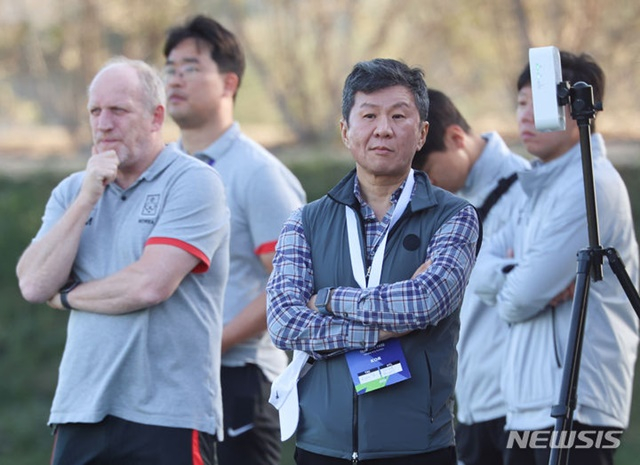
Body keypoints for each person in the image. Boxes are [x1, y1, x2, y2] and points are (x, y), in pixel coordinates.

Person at [15, 57, 229, 465]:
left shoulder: (194, 182)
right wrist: (87, 199)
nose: (103, 123)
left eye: (118, 110)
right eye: (95, 111)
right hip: (80, 409)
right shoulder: (72, 191)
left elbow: (149, 285)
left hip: (170, 415)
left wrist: (69, 296)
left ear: (156, 117)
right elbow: (34, 284)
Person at [266, 58, 481, 465]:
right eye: (369, 115)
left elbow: (424, 302)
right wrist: (378, 332)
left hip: (419, 448)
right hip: (320, 447)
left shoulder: (454, 216)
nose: (383, 128)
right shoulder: (306, 222)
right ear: (346, 131)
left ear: (421, 134)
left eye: (399, 116)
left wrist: (327, 300)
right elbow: (283, 322)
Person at [473, 50, 639, 465]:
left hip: (579, 406)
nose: (524, 118)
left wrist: (518, 282)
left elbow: (514, 301)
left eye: (538, 104)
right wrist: (520, 273)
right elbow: (481, 270)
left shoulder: (591, 185)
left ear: (576, 107)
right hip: (527, 404)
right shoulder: (537, 187)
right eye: (520, 105)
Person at [162, 15, 306, 465]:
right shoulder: (162, 170)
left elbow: (292, 285)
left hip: (240, 380)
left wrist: (213, 340)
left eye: (190, 67)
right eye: (169, 68)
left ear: (228, 82)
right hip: (170, 380)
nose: (174, 79)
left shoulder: (257, 173)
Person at [412, 88, 530, 465]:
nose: (425, 188)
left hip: (521, 401)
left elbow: (531, 284)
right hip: (469, 401)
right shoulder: (443, 205)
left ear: (456, 138)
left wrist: (448, 271)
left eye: (427, 173)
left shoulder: (527, 191)